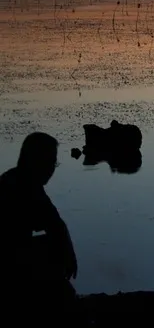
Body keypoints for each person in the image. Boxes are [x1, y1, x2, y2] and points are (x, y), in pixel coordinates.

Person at [0, 132, 79, 316]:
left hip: (13, 255)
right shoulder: (22, 188)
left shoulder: (16, 179)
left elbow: (56, 224)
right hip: (8, 262)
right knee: (51, 248)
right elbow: (56, 227)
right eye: (50, 163)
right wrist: (68, 256)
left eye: (54, 163)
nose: (52, 169)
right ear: (35, 161)